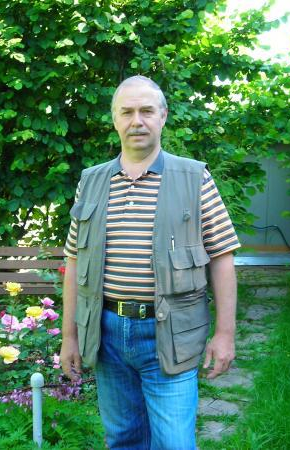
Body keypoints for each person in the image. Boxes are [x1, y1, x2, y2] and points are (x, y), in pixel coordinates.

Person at [60, 75, 240, 450]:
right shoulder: (91, 182)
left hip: (170, 332)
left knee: (174, 443)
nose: (136, 121)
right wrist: (69, 337)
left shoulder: (194, 178)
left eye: (146, 111)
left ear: (163, 116)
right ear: (115, 119)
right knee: (123, 438)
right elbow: (74, 261)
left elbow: (222, 256)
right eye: (127, 112)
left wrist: (224, 334)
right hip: (107, 333)